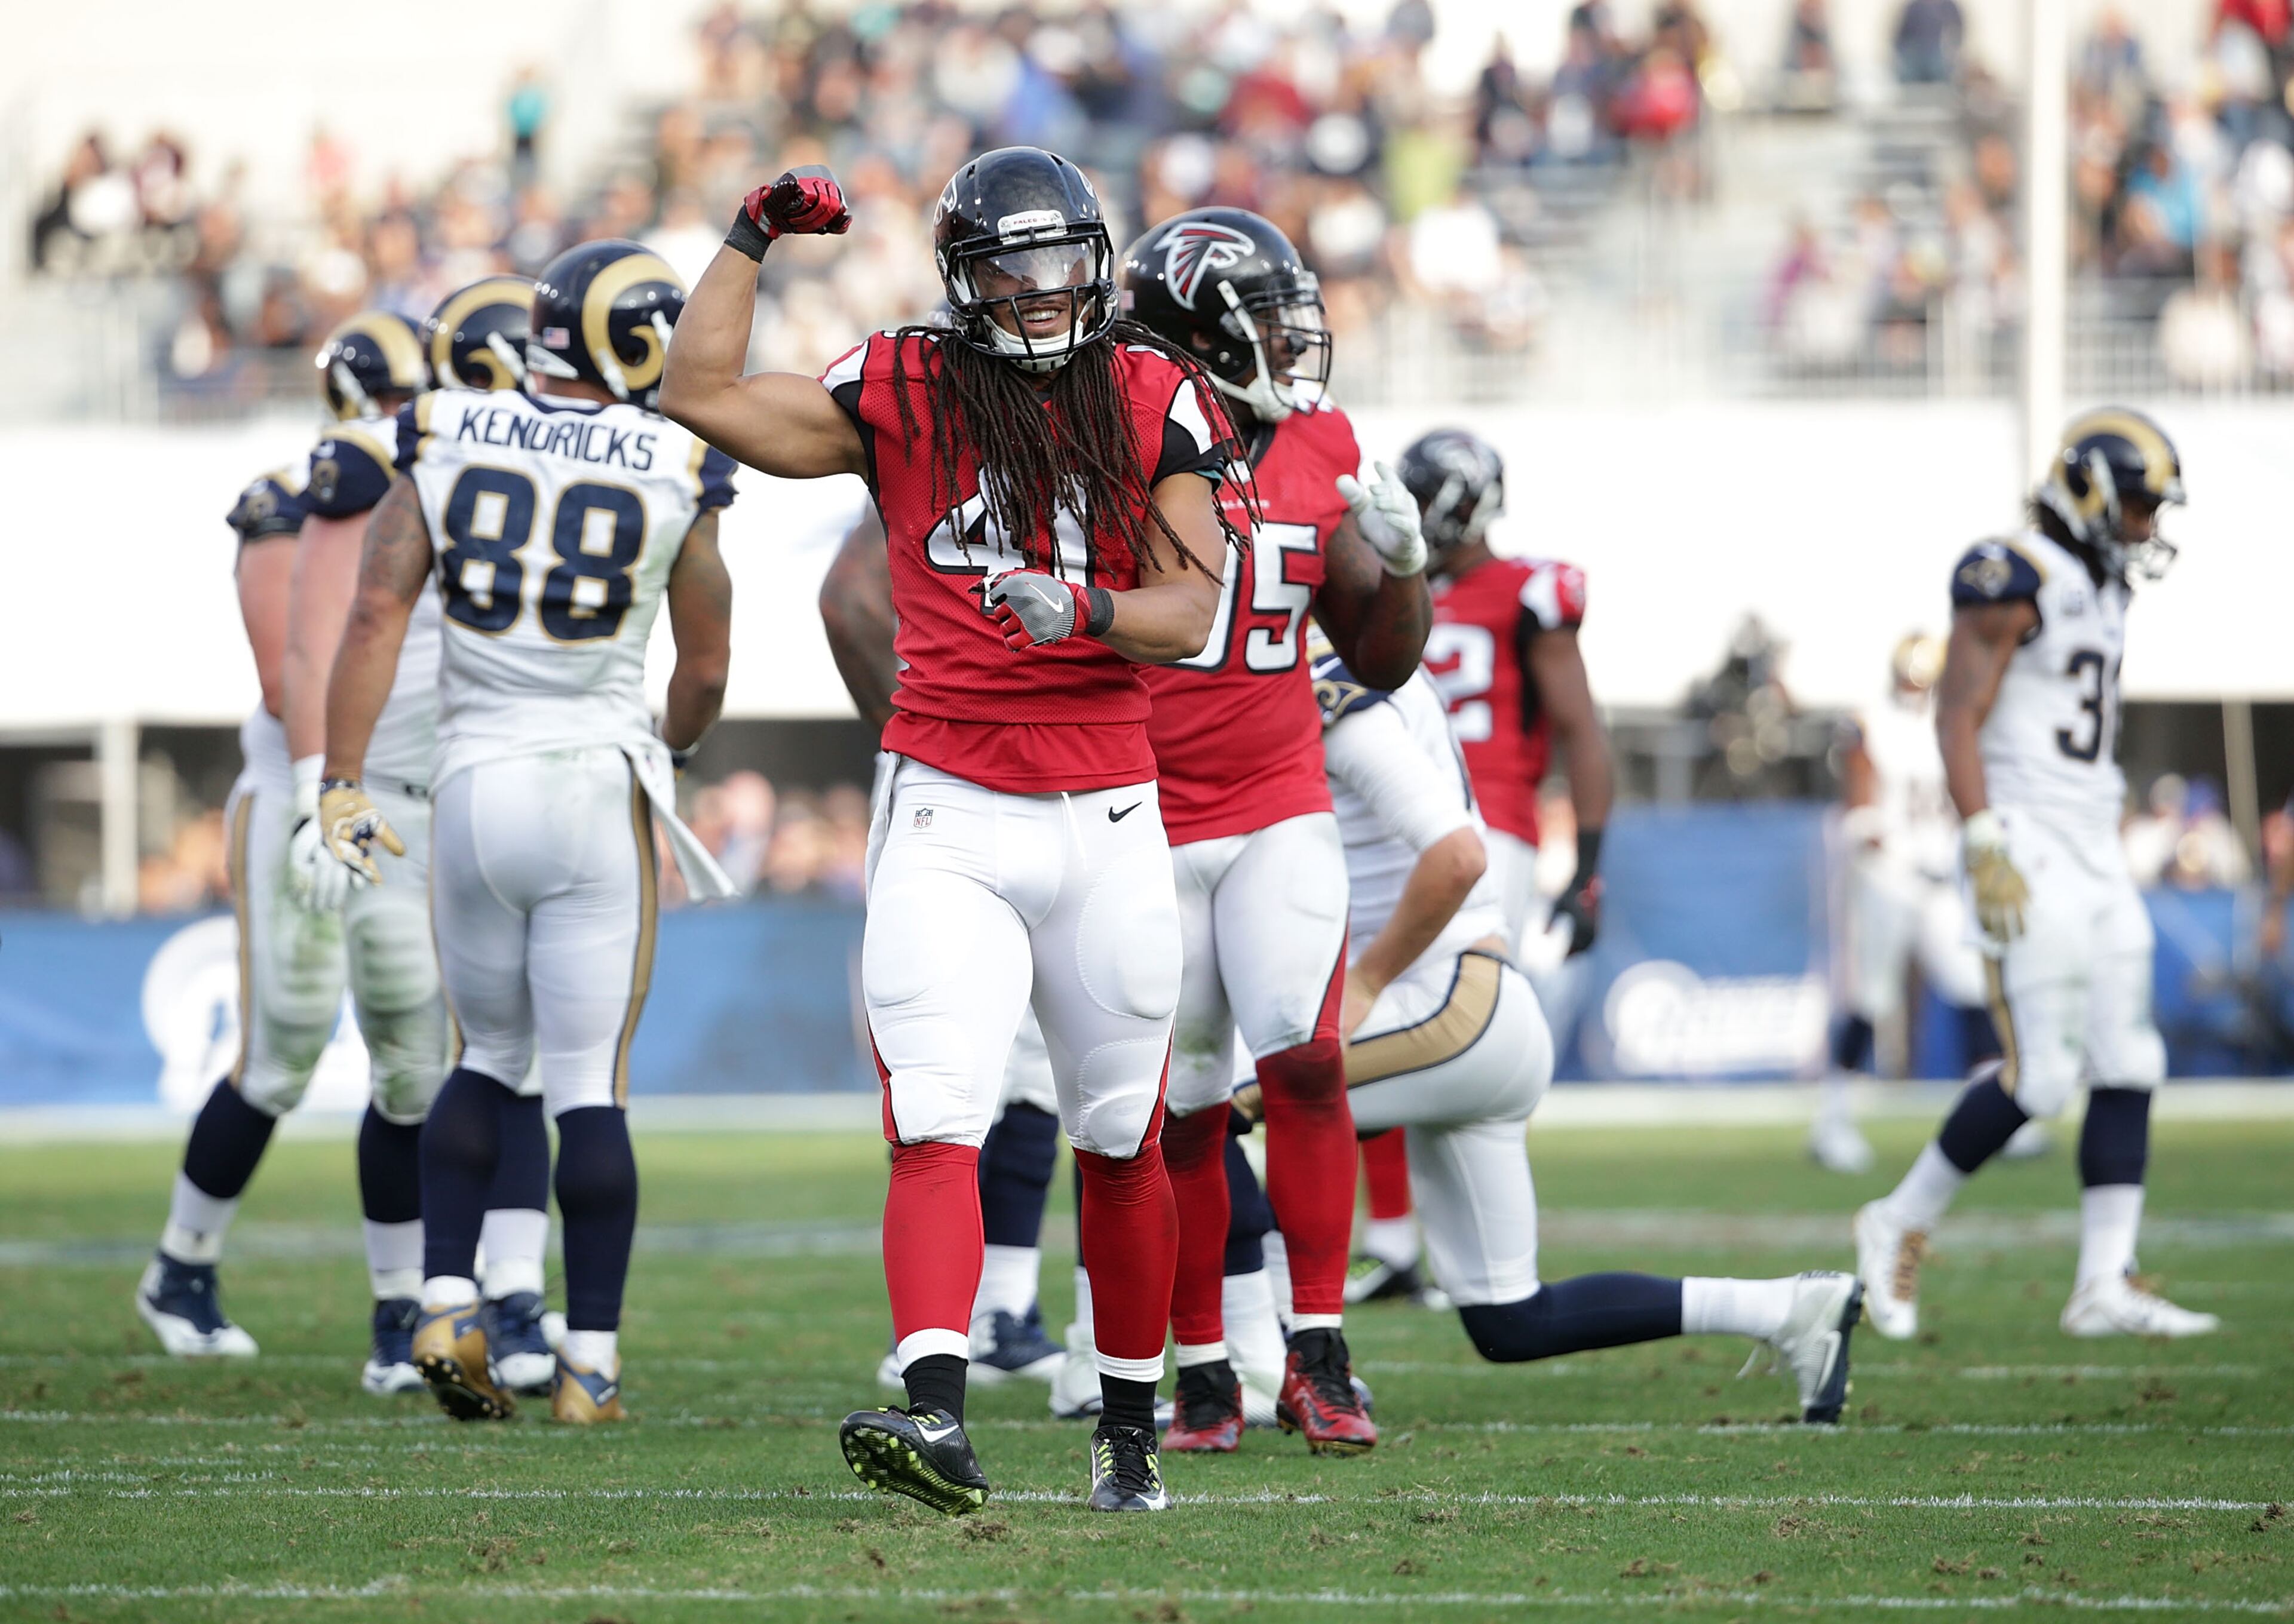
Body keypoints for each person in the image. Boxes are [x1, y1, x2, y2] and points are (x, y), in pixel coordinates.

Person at [661, 151, 1242, 1515]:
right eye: (1009, 271)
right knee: (932, 1116)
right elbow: (696, 391)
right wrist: (750, 236)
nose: (1041, 298)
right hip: (948, 806)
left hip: (1105, 811)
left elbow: (1193, 609)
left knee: (1119, 1137)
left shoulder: (1152, 388)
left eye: (1059, 266)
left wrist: (1084, 609)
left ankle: (1128, 1434)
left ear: (1095, 262)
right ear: (963, 282)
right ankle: (933, 1409)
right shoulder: (905, 381)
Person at [1212, 634, 1863, 1425]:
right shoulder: (1358, 668)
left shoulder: (1333, 684)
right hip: (1478, 1008)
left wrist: (1369, 978)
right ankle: (1791, 1307)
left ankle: (1258, 1358)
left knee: (1204, 1109)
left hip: (1448, 997)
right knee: (1510, 1320)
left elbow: (1457, 856)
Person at [315, 241, 740, 1424]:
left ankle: (446, 1302)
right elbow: (705, 658)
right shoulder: (672, 456)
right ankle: (588, 1364)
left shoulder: (448, 428)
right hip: (592, 779)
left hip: (469, 782)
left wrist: (342, 780)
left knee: (483, 1063)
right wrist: (680, 744)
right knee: (590, 1087)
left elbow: (374, 611)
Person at [134, 306, 543, 1400]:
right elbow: (293, 666)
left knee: (415, 1065)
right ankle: (181, 1266)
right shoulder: (334, 481)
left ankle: (396, 1312)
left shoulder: (473, 475)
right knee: (282, 1054)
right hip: (312, 801)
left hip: (413, 803)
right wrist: (331, 791)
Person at [1108, 205, 1431, 1456]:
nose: (1295, 346)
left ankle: (1319, 1350)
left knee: (1306, 1061)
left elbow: (1383, 654)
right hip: (1143, 809)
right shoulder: (1115, 433)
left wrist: (1401, 568)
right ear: (1197, 330)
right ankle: (1202, 1372)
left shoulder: (1320, 439)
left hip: (1277, 796)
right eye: (1266, 320)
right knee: (1181, 1101)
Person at [1854, 409, 2219, 1342]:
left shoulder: (2102, 583)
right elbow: (1956, 713)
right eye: (2136, 503)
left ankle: (2104, 1280)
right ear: (2089, 486)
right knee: (2042, 1076)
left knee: (2131, 1058)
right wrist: (1981, 835)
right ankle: (1897, 1219)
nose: (2145, 525)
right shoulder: (2010, 572)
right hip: (2025, 843)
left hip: (2094, 843)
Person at [1355, 427, 1611, 1297]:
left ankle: (1459, 1240)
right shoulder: (1396, 587)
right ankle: (1392, 1241)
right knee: (1372, 1006)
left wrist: (1590, 866)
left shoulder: (1528, 591)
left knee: (1416, 1018)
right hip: (1390, 817)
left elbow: (1579, 726)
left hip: (1486, 828)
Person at [822, 505, 1071, 1389]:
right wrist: (916, 716)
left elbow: (851, 599)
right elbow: (850, 597)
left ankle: (997, 1309)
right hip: (994, 762)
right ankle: (971, 1318)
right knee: (971, 1059)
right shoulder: (937, 416)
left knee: (1017, 1065)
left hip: (1020, 763)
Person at [1810, 633, 1995, 1174]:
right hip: (1889, 876)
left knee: (1972, 988)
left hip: (1940, 876)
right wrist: (1868, 829)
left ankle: (1993, 1119)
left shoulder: (1955, 722)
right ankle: (1833, 1120)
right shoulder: (1871, 721)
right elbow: (1860, 794)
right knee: (1870, 998)